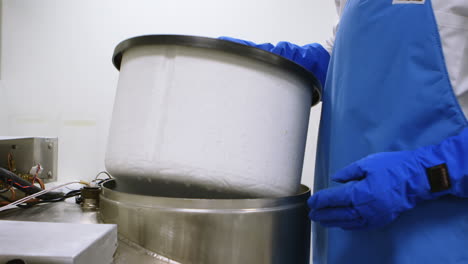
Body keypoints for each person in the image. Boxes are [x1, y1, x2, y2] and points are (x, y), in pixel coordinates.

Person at [222, 0, 468, 263]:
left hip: (439, 238)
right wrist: (278, 65)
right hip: (345, 235)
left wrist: (422, 176)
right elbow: (349, 62)